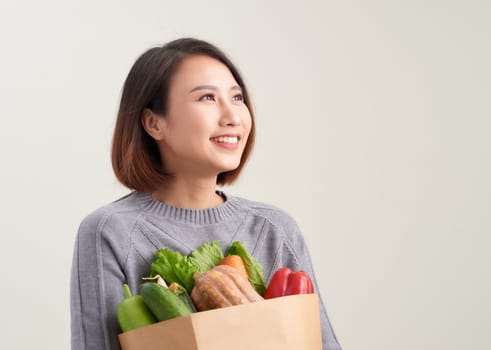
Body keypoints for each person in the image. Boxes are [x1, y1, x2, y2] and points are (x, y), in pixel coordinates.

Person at [70, 37, 341, 350]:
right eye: (207, 98)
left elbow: (323, 344)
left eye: (237, 97)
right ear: (154, 123)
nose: (233, 116)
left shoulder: (273, 228)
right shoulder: (110, 232)